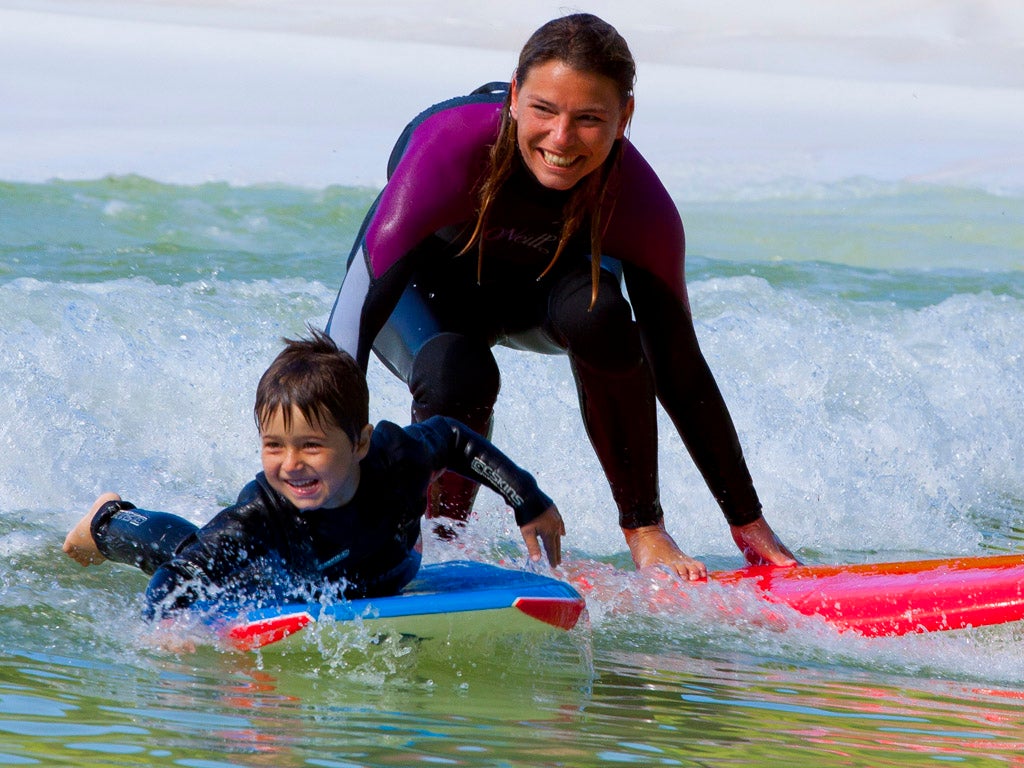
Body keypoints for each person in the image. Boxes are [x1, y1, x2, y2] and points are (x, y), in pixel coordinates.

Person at [324, 13, 797, 580]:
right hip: (427, 298)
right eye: (544, 109)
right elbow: (344, 340)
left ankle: (646, 531)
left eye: (590, 119)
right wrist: (323, 507)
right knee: (457, 370)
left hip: (542, 296)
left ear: (625, 118)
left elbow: (679, 367)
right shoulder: (446, 151)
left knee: (600, 315)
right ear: (516, 95)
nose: (561, 139)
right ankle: (436, 541)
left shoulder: (640, 205)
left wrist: (748, 523)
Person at [63, 329, 564, 618]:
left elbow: (454, 437)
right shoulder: (260, 512)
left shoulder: (396, 459)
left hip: (384, 576)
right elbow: (178, 578)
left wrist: (527, 498)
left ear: (360, 443)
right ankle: (109, 521)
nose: (291, 463)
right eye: (273, 446)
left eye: (311, 446)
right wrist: (172, 630)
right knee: (200, 559)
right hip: (278, 579)